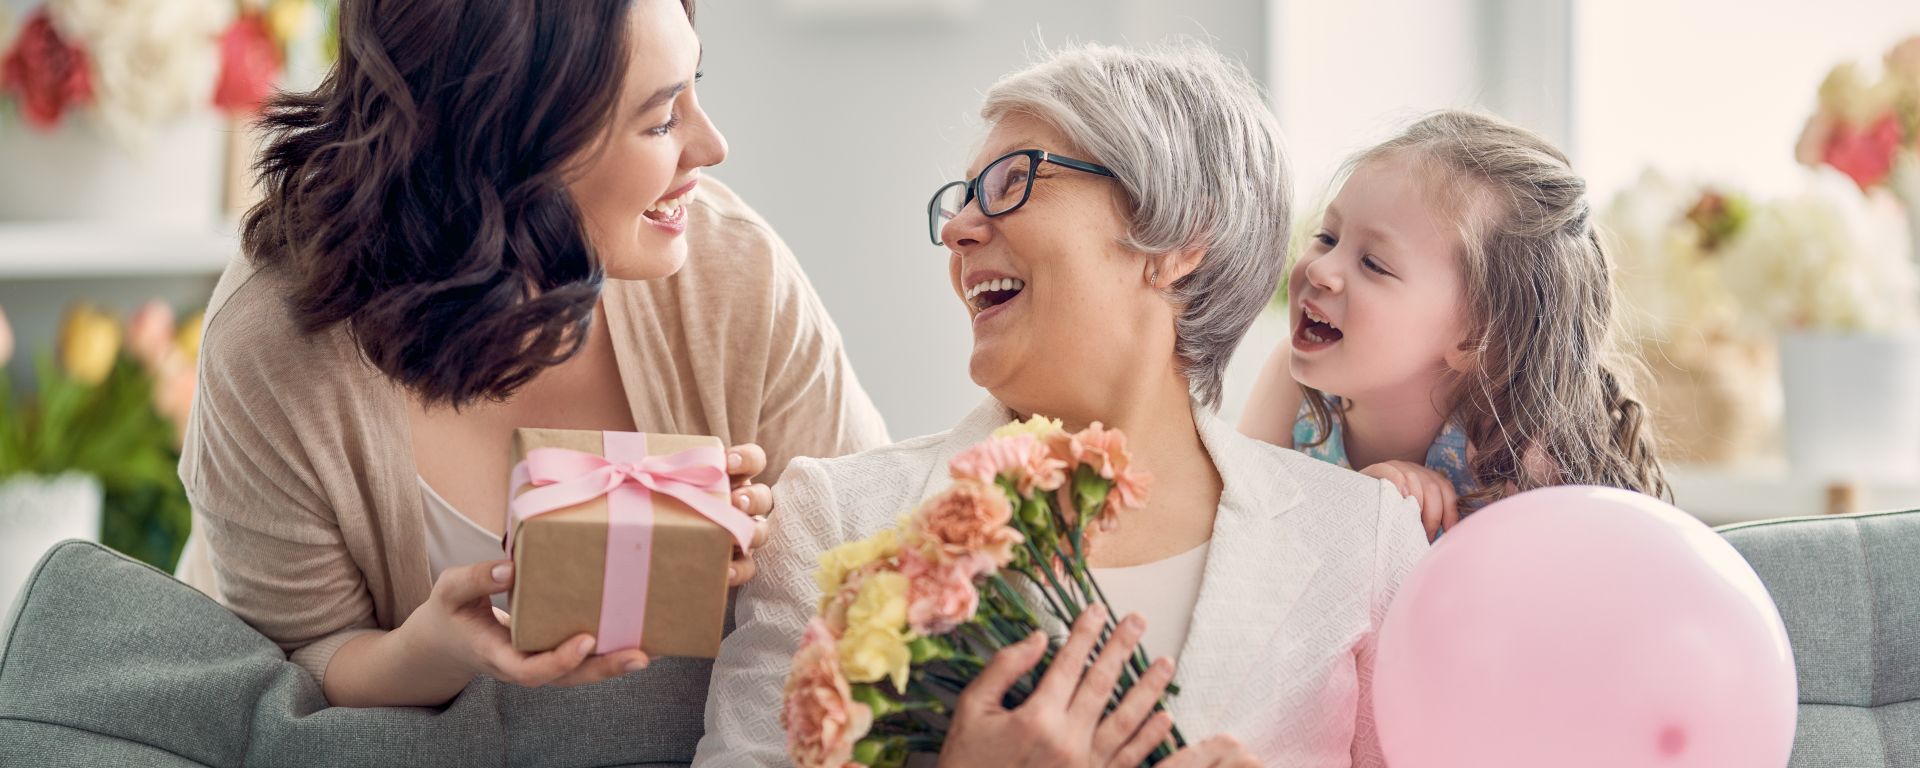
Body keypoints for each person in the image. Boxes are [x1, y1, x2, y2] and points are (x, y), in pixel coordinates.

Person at [696, 42, 1427, 766]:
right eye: (960, 202)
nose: (956, 231)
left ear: (1179, 238)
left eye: (1014, 182)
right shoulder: (831, 518)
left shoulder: (1364, 542)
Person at [177, 0, 888, 718]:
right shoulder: (275, 344)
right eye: (662, 118)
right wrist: (436, 649)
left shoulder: (733, 274)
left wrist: (782, 550)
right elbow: (297, 669)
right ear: (513, 148)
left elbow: (884, 570)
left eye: (692, 86)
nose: (712, 145)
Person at [1239, 110, 1667, 539]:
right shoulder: (1293, 386)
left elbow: (1542, 599)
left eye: (1373, 264)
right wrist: (1357, 509)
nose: (1321, 269)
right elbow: (1239, 536)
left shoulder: (1513, 456)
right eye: (1327, 237)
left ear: (1475, 338)